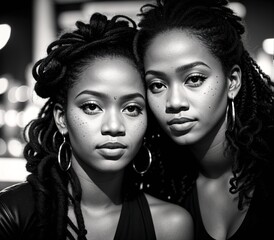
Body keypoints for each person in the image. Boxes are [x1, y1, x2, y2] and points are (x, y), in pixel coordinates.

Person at [0, 12, 193, 240]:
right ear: (62, 118)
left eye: (131, 108)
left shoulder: (171, 226)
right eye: (92, 106)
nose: (113, 126)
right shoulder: (12, 214)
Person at [134, 0, 274, 239]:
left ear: (232, 81)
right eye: (157, 85)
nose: (174, 101)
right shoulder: (157, 185)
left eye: (195, 79)